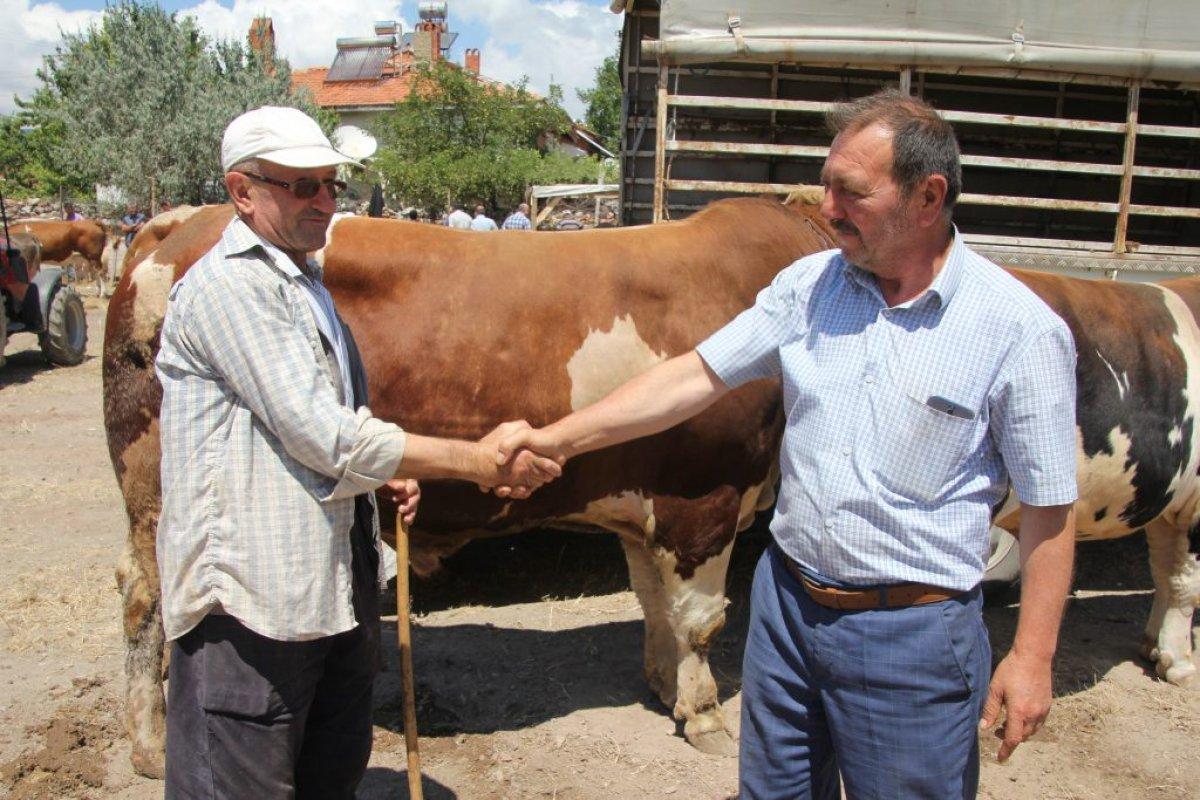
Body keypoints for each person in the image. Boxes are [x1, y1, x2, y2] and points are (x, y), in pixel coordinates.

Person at [494, 89, 1077, 799]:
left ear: (928, 197)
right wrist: (555, 440)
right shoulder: (810, 286)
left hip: (913, 637)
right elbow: (693, 377)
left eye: (850, 192)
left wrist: (1033, 656)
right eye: (827, 183)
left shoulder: (1018, 329)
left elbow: (1050, 508)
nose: (826, 208)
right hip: (787, 608)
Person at [155, 105, 561, 799]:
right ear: (242, 191)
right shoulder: (231, 288)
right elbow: (321, 434)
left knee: (326, 777)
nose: (323, 200)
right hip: (251, 607)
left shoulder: (303, 279)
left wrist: (386, 473)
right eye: (301, 184)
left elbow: (322, 423)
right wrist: (474, 461)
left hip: (326, 588)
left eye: (331, 184)